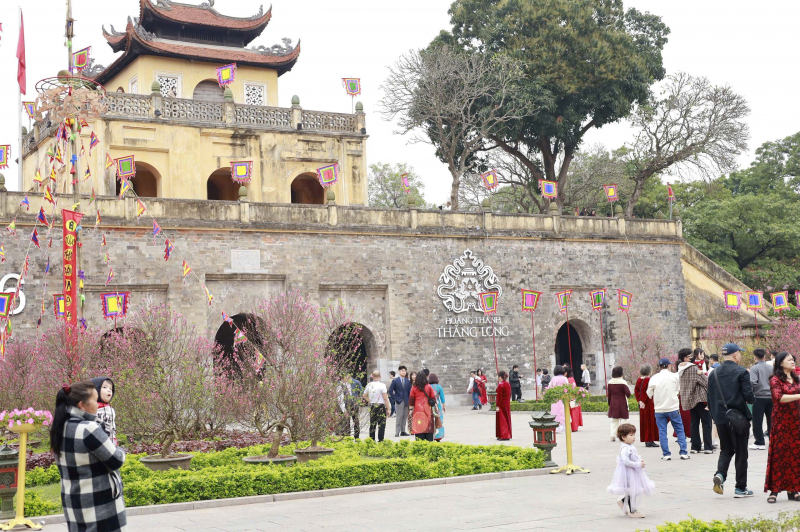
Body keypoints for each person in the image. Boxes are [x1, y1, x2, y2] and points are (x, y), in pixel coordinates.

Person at [51, 381, 127, 532]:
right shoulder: (89, 429)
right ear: (81, 405)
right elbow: (116, 460)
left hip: (74, 504)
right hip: (100, 505)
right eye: (95, 400)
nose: (98, 404)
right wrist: (119, 449)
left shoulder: (60, 428)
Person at [708, 343, 755, 497]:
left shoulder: (713, 374)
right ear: (735, 355)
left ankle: (720, 475)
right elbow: (749, 397)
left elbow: (709, 399)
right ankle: (740, 488)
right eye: (739, 353)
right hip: (738, 419)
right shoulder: (741, 372)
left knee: (726, 450)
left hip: (721, 419)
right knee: (741, 452)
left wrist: (715, 417)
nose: (740, 356)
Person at [765, 352, 800, 503]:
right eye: (789, 359)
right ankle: (774, 491)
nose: (793, 362)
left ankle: (794, 489)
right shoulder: (775, 379)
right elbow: (779, 397)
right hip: (781, 423)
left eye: (793, 359)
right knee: (779, 455)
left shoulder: (797, 379)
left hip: (796, 422)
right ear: (780, 363)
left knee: (795, 456)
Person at [607, 423, 655, 519]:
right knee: (633, 490)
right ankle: (633, 511)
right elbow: (626, 461)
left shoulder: (631, 446)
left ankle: (624, 501)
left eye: (634, 435)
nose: (634, 437)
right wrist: (638, 464)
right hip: (628, 472)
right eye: (631, 435)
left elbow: (634, 457)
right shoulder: (625, 448)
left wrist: (640, 461)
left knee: (635, 490)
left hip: (633, 471)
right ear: (624, 437)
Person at [647, 357, 689, 460]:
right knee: (679, 429)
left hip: (659, 409)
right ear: (669, 366)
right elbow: (678, 389)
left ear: (659, 367)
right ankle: (683, 452)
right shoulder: (674, 376)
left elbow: (649, 393)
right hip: (673, 407)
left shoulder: (654, 378)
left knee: (662, 432)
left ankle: (666, 454)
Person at [677, 348, 713, 454]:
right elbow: (706, 382)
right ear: (684, 357)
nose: (691, 357)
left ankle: (695, 446)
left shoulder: (680, 369)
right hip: (700, 399)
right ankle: (707, 447)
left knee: (694, 423)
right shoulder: (693, 368)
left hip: (689, 399)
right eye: (689, 356)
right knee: (706, 423)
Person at [749, 348, 772, 450]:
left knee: (757, 420)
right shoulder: (771, 368)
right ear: (764, 356)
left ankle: (759, 442)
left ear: (755, 357)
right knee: (771, 420)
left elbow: (752, 382)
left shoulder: (754, 368)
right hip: (771, 397)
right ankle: (773, 441)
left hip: (759, 397)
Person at [634, 364, 659, 448]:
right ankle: (650, 440)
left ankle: (646, 439)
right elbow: (648, 392)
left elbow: (636, 391)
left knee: (644, 421)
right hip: (648, 403)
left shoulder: (638, 380)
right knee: (650, 421)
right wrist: (644, 400)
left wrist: (640, 400)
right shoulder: (649, 379)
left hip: (642, 404)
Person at [362, 370, 390, 442]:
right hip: (380, 406)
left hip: (373, 406)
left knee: (372, 424)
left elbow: (364, 396)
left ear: (372, 376)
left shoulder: (369, 385)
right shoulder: (382, 385)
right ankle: (380, 440)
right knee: (381, 425)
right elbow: (385, 398)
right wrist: (388, 408)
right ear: (380, 377)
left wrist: (370, 400)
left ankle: (371, 440)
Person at [409, 371, 436, 441]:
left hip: (417, 410)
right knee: (428, 427)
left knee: (419, 427)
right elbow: (433, 398)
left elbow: (411, 401)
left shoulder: (414, 388)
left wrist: (410, 410)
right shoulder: (429, 387)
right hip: (427, 410)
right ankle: (429, 442)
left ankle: (420, 445)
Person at [91, 377, 118, 445]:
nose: (109, 390)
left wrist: (114, 440)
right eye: (105, 387)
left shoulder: (111, 410)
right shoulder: (90, 408)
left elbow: (112, 426)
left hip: (110, 441)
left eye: (110, 389)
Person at [607, 366, 631, 442]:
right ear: (621, 373)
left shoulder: (610, 382)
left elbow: (609, 395)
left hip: (613, 402)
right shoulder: (623, 382)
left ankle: (612, 435)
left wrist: (609, 403)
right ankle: (623, 435)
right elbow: (628, 394)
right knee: (624, 419)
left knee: (614, 420)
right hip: (622, 402)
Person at [388, 366, 411, 437]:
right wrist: (395, 398)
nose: (404, 372)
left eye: (405, 371)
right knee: (399, 416)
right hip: (399, 401)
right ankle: (397, 432)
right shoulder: (395, 381)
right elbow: (390, 390)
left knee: (404, 416)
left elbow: (409, 391)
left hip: (406, 401)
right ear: (399, 371)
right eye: (402, 371)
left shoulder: (408, 381)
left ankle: (403, 431)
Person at [549, 366, 570, 433]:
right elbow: (568, 388)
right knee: (563, 413)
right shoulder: (564, 378)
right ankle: (563, 427)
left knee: (555, 412)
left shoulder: (553, 379)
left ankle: (555, 427)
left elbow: (550, 387)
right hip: (563, 398)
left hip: (555, 399)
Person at [565, 367, 583, 431]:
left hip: (571, 398)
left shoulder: (568, 379)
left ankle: (574, 427)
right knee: (575, 414)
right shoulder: (571, 378)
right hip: (575, 397)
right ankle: (575, 427)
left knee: (572, 414)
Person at [429, 373, 446, 441]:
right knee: (439, 419)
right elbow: (442, 397)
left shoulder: (428, 386)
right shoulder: (439, 387)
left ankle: (431, 435)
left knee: (431, 420)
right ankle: (439, 436)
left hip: (430, 405)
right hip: (438, 405)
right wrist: (444, 405)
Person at [496, 371, 512, 440]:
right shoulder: (508, 384)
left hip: (502, 404)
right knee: (507, 418)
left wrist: (497, 406)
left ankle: (504, 435)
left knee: (502, 420)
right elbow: (510, 394)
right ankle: (507, 434)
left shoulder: (500, 385)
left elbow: (499, 397)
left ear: (500, 377)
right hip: (507, 403)